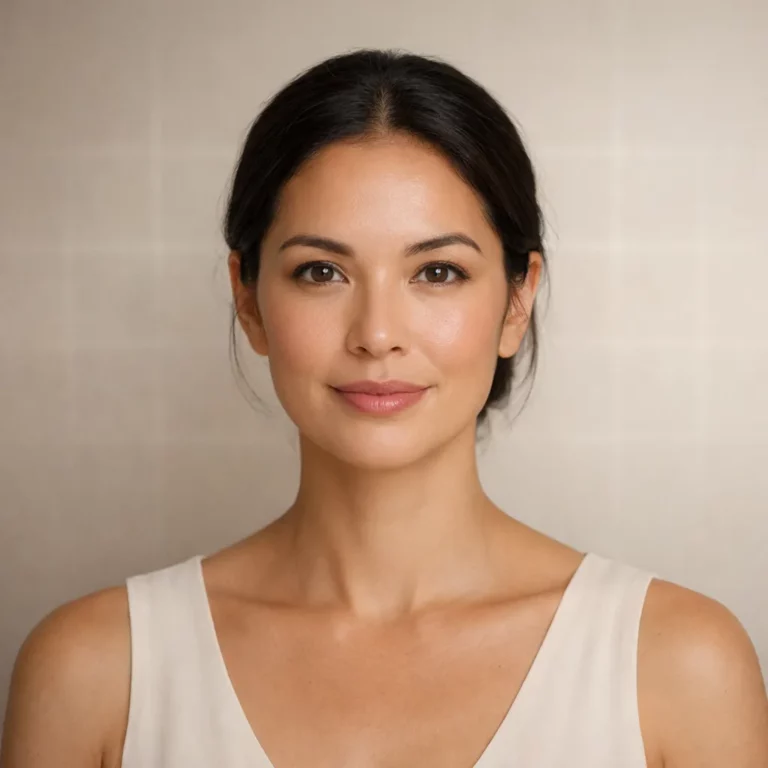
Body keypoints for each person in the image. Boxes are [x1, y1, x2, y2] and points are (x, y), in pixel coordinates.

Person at [2, 48, 767, 768]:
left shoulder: (678, 665)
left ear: (517, 300)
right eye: (321, 271)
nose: (376, 335)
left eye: (437, 271)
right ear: (248, 299)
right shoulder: (94, 672)